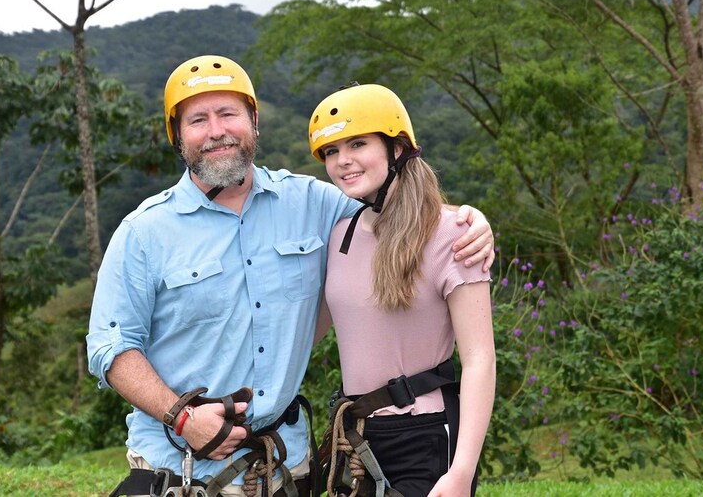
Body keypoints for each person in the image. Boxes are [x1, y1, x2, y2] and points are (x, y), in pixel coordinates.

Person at [86, 56, 495, 497]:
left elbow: (395, 208)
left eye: (228, 114)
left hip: (284, 469)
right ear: (178, 136)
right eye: (198, 120)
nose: (216, 131)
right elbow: (110, 347)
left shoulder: (313, 205)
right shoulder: (144, 232)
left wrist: (469, 220)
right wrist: (182, 418)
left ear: (254, 121)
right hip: (180, 466)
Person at [308, 83, 495, 497]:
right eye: (332, 151)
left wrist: (462, 471)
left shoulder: (453, 233)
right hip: (355, 435)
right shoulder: (342, 232)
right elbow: (305, 334)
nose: (343, 161)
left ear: (396, 148)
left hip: (425, 437)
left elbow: (480, 359)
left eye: (357, 143)